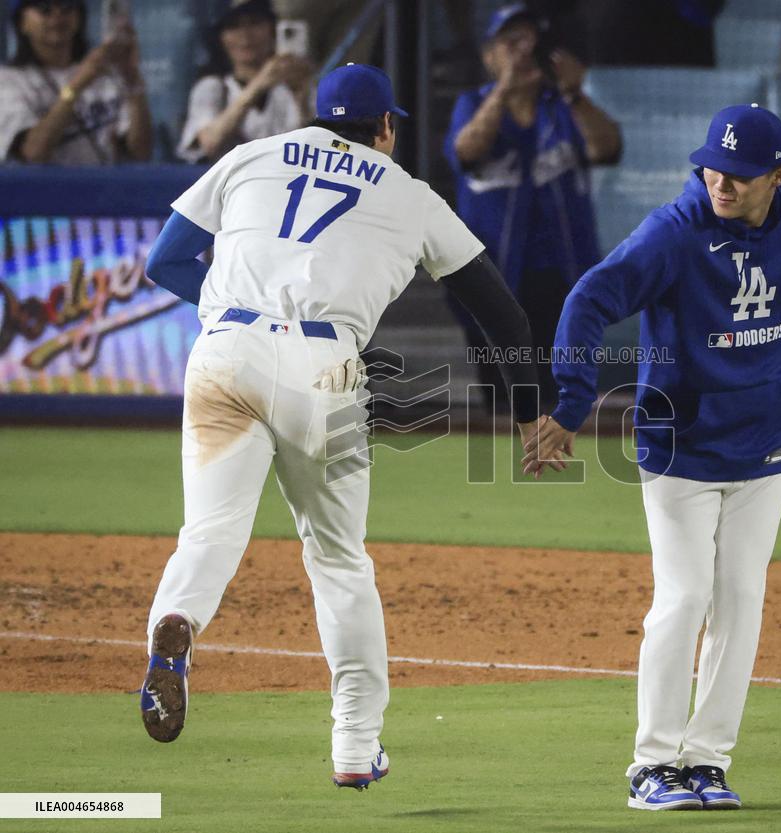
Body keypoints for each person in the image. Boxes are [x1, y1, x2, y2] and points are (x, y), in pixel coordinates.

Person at [139, 63, 546, 789]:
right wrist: (530, 410)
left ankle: (176, 621)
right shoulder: (411, 195)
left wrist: (227, 315)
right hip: (323, 365)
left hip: (224, 347)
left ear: (316, 117)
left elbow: (163, 259)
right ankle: (355, 747)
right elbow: (502, 312)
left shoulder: (251, 154)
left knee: (207, 534)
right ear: (385, 128)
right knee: (336, 559)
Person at [524, 104, 781, 810]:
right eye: (713, 166)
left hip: (763, 443)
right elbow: (590, 298)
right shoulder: (675, 232)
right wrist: (570, 406)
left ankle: (707, 761)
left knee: (742, 600)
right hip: (677, 446)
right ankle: (651, 765)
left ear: (778, 176)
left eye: (743, 175)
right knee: (685, 596)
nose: (722, 181)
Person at [444, 2, 621, 412]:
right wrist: (504, 90)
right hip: (493, 277)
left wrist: (574, 92)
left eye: (531, 41)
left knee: (562, 394)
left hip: (562, 274)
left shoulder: (564, 107)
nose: (524, 51)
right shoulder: (472, 104)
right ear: (489, 56)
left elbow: (606, 146)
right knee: (504, 398)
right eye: (511, 42)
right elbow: (466, 151)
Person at [0, 0, 152, 165]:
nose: (57, 15)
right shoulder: (9, 80)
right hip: (43, 189)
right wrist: (79, 83)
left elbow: (141, 152)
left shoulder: (104, 73)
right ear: (22, 23)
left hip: (105, 187)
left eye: (67, 6)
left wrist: (132, 79)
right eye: (44, 8)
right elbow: (33, 152)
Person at [176, 0, 313, 164]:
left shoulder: (296, 86)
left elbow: (319, 148)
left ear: (272, 30)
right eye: (234, 26)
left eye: (255, 23)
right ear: (221, 37)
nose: (245, 35)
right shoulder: (212, 87)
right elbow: (209, 144)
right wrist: (259, 84)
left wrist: (302, 100)